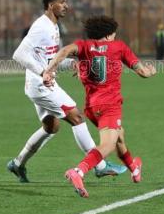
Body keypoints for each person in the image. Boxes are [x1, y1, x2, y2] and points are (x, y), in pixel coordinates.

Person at [8, 0, 126, 183]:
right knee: (76, 117)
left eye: (66, 2)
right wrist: (43, 72)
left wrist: (70, 63)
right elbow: (18, 54)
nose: (66, 6)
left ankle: (18, 164)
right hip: (41, 84)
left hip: (38, 83)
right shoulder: (41, 26)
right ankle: (100, 166)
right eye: (62, 2)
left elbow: (47, 59)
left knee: (51, 127)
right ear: (50, 4)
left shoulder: (53, 26)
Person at [43, 15, 156, 198]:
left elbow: (64, 51)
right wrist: (151, 71)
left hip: (92, 107)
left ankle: (134, 168)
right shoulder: (119, 47)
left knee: (119, 136)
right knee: (108, 144)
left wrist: (49, 71)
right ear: (110, 34)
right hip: (110, 105)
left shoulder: (83, 46)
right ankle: (78, 171)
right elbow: (142, 72)